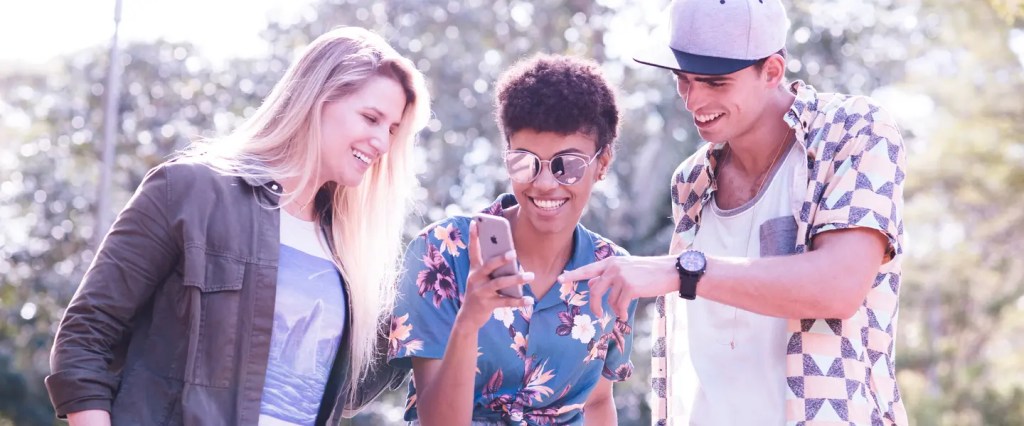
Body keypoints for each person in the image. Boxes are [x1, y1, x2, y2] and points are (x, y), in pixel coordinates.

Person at [45, 26, 431, 425]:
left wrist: (443, 305)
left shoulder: (347, 250)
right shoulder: (190, 191)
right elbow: (84, 338)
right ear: (317, 100)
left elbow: (342, 396)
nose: (383, 143)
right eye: (371, 118)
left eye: (392, 130)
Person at [559, 0, 910, 424]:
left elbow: (838, 288)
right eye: (683, 80)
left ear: (773, 71)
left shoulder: (853, 132)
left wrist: (682, 271)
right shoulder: (692, 180)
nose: (693, 101)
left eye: (715, 82)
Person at [387, 54, 637, 425]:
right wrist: (469, 321)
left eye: (568, 165)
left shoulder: (612, 271)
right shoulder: (440, 253)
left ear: (602, 164)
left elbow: (598, 402)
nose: (545, 183)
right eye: (525, 161)